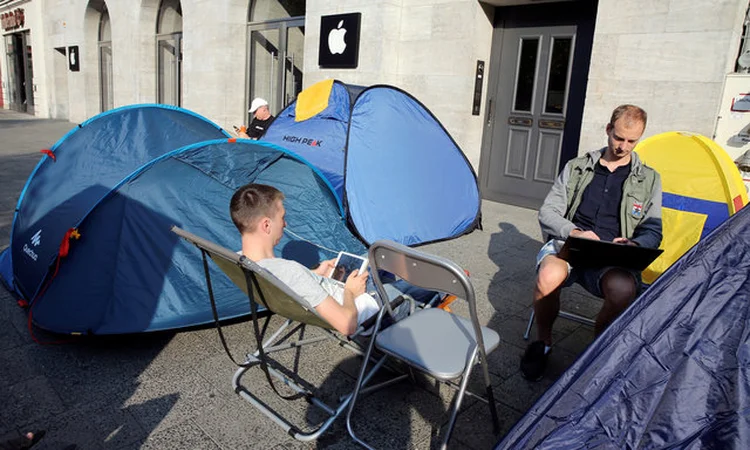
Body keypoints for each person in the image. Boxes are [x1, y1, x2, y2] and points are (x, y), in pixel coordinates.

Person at [520, 104, 662, 381]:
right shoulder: (577, 167)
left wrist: (635, 244)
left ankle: (596, 351)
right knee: (548, 276)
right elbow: (548, 211)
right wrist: (573, 232)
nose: (623, 146)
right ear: (608, 130)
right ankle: (543, 343)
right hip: (571, 244)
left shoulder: (649, 179)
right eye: (618, 137)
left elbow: (653, 229)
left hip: (613, 255)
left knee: (622, 290)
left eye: (631, 141)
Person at [229, 183, 433, 336]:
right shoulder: (289, 270)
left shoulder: (239, 260)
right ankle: (439, 291)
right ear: (266, 225)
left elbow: (293, 285)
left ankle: (402, 281)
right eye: (282, 217)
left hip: (334, 291)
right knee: (410, 282)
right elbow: (346, 325)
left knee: (369, 261)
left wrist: (316, 274)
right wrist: (350, 292)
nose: (285, 223)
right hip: (363, 307)